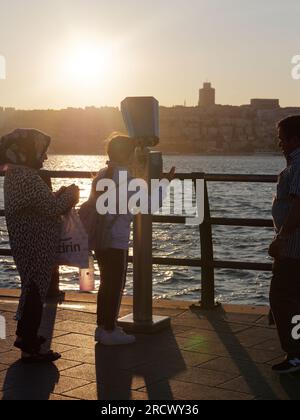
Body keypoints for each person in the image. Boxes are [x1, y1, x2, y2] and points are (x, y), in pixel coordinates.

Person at [85, 133, 175, 346]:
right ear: (129, 155)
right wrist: (164, 183)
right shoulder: (129, 181)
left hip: (98, 236)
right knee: (115, 284)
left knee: (105, 283)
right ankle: (110, 329)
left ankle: (102, 326)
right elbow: (149, 206)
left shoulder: (101, 175)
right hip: (116, 238)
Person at [0, 128, 79, 362]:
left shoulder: (15, 175)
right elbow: (52, 209)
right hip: (36, 243)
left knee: (31, 287)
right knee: (35, 290)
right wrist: (72, 195)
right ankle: (29, 343)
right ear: (27, 152)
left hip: (26, 241)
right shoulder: (27, 176)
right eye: (41, 152)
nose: (44, 157)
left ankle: (26, 337)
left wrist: (55, 197)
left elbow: (38, 204)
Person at [269, 115, 300, 374]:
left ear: (295, 139)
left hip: (293, 246)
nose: (280, 144)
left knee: (283, 298)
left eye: (283, 139)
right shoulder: (294, 163)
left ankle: (295, 354)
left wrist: (281, 239)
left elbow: (298, 206)